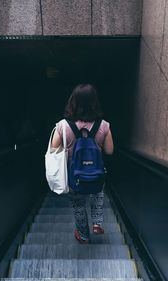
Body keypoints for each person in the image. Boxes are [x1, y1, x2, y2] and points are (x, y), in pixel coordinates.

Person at [51, 84, 114, 243]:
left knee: (79, 206)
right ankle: (97, 223)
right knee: (97, 193)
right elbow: (109, 151)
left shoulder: (63, 126)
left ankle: (84, 235)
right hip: (97, 173)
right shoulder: (104, 125)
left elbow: (53, 149)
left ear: (73, 102)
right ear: (95, 102)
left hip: (74, 177)